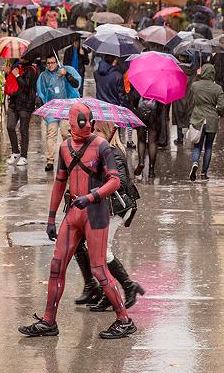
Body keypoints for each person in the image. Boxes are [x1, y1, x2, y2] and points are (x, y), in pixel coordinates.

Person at [18, 103, 135, 339]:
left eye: (86, 123)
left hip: (96, 212)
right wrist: (51, 217)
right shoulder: (64, 148)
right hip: (74, 212)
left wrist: (92, 196)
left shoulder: (101, 146)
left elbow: (115, 181)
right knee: (56, 266)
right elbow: (60, 183)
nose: (82, 128)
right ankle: (49, 320)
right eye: (78, 124)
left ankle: (124, 319)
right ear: (71, 124)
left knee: (99, 268)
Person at [87, 124, 144, 312]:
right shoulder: (101, 152)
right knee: (94, 250)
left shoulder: (113, 153)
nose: (94, 135)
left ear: (109, 133)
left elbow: (120, 183)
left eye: (98, 132)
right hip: (106, 208)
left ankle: (128, 286)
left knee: (103, 252)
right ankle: (107, 293)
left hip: (117, 208)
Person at [37, 57, 83, 172]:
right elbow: (41, 92)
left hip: (66, 107)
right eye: (48, 63)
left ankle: (67, 159)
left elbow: (76, 84)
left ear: (57, 62)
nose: (50, 65)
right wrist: (43, 109)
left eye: (53, 62)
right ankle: (50, 161)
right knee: (51, 134)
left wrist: (66, 74)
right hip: (51, 108)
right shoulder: (43, 76)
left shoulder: (66, 70)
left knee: (65, 133)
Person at [188, 64, 224, 181]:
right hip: (211, 120)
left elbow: (192, 97)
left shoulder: (195, 86)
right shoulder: (218, 88)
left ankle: (195, 162)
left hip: (197, 119)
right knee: (208, 147)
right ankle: (204, 173)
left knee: (197, 146)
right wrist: (216, 111)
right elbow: (221, 106)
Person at [5, 59, 38, 166]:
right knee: (10, 126)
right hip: (14, 103)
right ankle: (15, 151)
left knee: (23, 130)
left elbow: (26, 86)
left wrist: (17, 75)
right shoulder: (16, 65)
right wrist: (8, 74)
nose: (21, 58)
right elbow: (12, 84)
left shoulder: (32, 69)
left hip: (26, 104)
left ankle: (24, 156)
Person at [130, 85, 165, 180]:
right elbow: (163, 102)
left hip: (140, 110)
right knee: (152, 141)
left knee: (141, 139)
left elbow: (133, 97)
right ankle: (151, 170)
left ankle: (141, 162)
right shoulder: (160, 83)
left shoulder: (140, 81)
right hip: (154, 111)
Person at [172, 52, 199, 145]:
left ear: (180, 57)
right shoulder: (194, 71)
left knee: (178, 116)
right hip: (190, 96)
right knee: (189, 117)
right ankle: (191, 136)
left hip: (178, 96)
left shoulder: (177, 69)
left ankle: (180, 139)